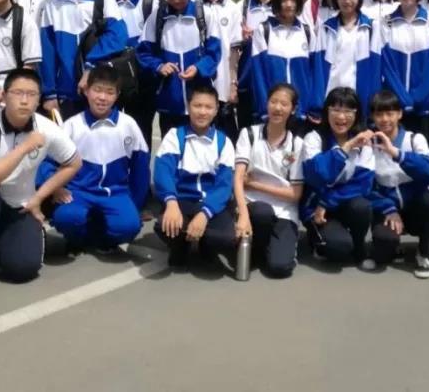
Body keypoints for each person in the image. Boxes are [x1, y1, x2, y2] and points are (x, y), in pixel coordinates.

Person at [0, 68, 81, 302]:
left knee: (24, 268)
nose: (24, 100)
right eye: (18, 93)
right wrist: (24, 148)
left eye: (31, 94)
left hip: (21, 205)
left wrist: (39, 197)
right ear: (4, 95)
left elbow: (73, 163)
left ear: (39, 99)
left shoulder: (46, 128)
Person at [39, 65, 148, 254]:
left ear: (117, 95)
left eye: (109, 92)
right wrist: (55, 187)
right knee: (67, 218)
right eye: (97, 90)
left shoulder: (128, 125)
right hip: (78, 192)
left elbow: (141, 169)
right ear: (86, 91)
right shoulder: (72, 125)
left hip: (116, 193)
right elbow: (46, 161)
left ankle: (103, 238)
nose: (102, 97)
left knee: (129, 226)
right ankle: (78, 239)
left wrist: (134, 203)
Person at [39, 0, 127, 120]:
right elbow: (47, 51)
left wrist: (90, 67)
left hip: (99, 89)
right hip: (66, 92)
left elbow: (117, 36)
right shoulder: (52, 4)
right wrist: (49, 93)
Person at [153, 84, 237, 269]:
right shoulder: (175, 136)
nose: (202, 112)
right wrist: (171, 203)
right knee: (164, 226)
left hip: (210, 203)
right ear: (189, 106)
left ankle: (206, 245)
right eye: (197, 106)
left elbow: (224, 186)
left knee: (224, 238)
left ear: (216, 110)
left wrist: (205, 214)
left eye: (208, 107)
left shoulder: (224, 142)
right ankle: (180, 245)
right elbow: (162, 172)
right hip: (181, 201)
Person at [368, 90, 429, 279]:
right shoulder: (368, 144)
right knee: (383, 248)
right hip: (387, 207)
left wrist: (397, 153)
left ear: (400, 114)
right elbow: (366, 186)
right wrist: (389, 209)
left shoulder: (414, 139)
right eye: (379, 114)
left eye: (390, 113)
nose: (385, 119)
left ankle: (423, 252)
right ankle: (392, 246)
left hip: (415, 207)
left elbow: (428, 171)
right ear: (373, 117)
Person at [137, 0, 221, 133]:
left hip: (199, 100)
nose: (175, 0)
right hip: (169, 101)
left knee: (202, 144)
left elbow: (214, 52)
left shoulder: (204, 14)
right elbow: (143, 52)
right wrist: (159, 66)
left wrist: (198, 68)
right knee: (171, 144)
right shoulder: (157, 17)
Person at [233, 83, 305, 278]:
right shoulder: (249, 134)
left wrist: (254, 184)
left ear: (293, 109)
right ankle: (255, 247)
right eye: (273, 102)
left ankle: (270, 248)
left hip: (284, 211)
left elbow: (295, 194)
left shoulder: (297, 144)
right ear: (267, 104)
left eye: (284, 104)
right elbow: (238, 178)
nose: (278, 108)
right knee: (262, 212)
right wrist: (243, 215)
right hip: (254, 207)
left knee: (280, 267)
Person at [301, 87, 375, 268]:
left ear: (357, 114)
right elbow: (318, 175)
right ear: (326, 112)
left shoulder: (364, 143)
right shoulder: (314, 139)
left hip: (332, 203)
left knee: (362, 206)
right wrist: (346, 148)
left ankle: (359, 248)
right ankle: (316, 237)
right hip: (316, 207)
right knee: (338, 248)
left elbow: (363, 184)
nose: (341, 117)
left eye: (348, 111)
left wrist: (327, 202)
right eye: (335, 110)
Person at [380, 0, 429, 139]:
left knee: (423, 148)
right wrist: (402, 98)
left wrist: (417, 96)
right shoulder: (386, 21)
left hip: (425, 104)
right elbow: (387, 65)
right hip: (395, 103)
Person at [248, 0, 318, 124]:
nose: (289, 4)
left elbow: (314, 73)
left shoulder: (307, 31)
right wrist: (265, 110)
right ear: (277, 1)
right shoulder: (264, 30)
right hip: (273, 112)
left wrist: (311, 108)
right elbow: (258, 74)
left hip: (301, 113)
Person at [314, 0, 382, 125]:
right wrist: (317, 103)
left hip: (359, 99)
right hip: (332, 98)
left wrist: (373, 104)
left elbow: (375, 69)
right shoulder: (326, 28)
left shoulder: (371, 27)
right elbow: (319, 68)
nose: (347, 1)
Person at [112, 0, 158, 147]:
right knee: (110, 127)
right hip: (112, 74)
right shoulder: (105, 0)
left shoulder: (151, 2)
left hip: (142, 78)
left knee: (141, 131)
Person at [197, 0, 244, 140]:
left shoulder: (234, 9)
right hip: (198, 77)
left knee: (225, 137)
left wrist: (233, 84)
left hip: (223, 80)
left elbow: (234, 50)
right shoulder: (193, 6)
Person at [237, 0, 279, 127]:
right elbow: (232, 43)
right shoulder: (242, 6)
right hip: (248, 78)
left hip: (274, 77)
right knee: (246, 129)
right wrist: (241, 37)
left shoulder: (282, 7)